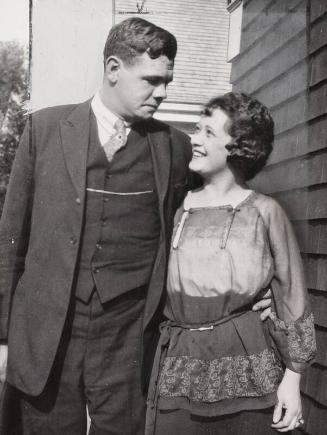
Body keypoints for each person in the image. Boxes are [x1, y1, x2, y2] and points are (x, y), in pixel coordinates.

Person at [0, 18, 271, 435]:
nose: (162, 92)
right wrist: (2, 338)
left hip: (129, 337)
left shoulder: (175, 147)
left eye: (167, 81)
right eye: (151, 80)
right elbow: (10, 243)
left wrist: (260, 284)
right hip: (49, 334)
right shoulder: (45, 130)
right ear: (113, 69)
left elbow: (224, 207)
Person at [145, 92, 317, 435]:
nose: (193, 139)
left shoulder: (265, 212)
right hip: (178, 361)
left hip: (250, 362)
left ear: (239, 147)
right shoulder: (174, 206)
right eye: (196, 129)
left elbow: (291, 293)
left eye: (209, 133)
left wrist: (293, 379)